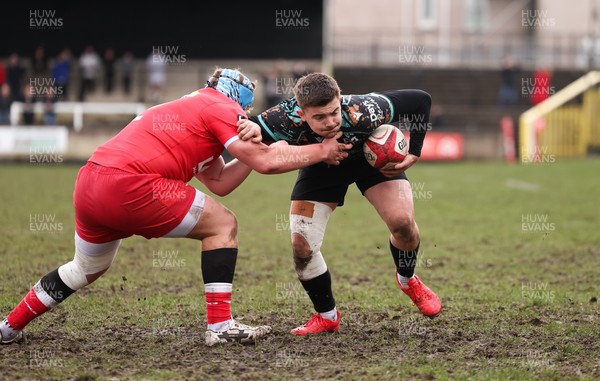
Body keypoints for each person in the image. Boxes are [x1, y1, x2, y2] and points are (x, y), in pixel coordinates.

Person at [0, 68, 351, 346]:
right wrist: (322, 151)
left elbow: (221, 182)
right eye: (245, 111)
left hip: (91, 183)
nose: (244, 117)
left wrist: (268, 145)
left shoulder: (191, 110)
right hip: (131, 184)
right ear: (240, 103)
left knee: (83, 269)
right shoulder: (220, 106)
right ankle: (220, 326)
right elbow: (265, 163)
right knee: (222, 225)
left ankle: (8, 327)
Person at [248, 72, 441, 335]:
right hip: (320, 167)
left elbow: (421, 100)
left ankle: (407, 280)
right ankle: (327, 316)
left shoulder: (367, 110)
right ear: (302, 113)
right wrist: (246, 127)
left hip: (370, 162)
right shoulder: (281, 119)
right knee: (301, 245)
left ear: (340, 100)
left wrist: (415, 151)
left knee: (403, 224)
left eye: (333, 112)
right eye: (319, 117)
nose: (329, 122)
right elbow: (245, 133)